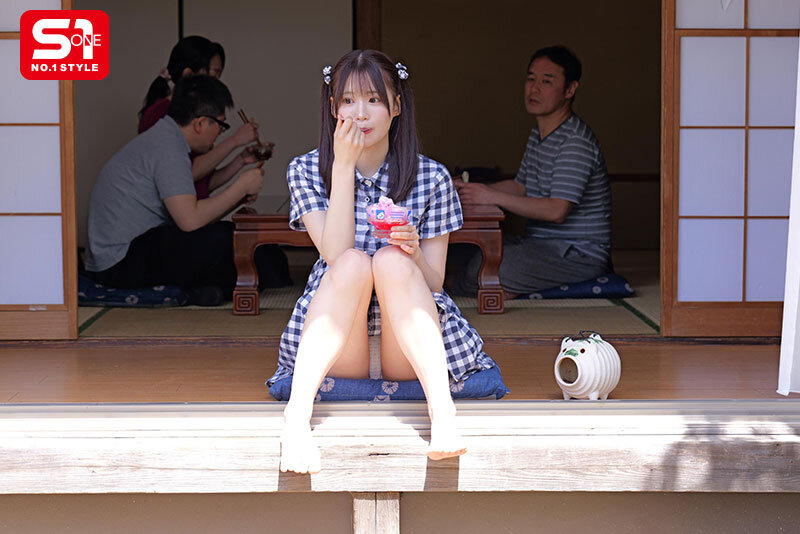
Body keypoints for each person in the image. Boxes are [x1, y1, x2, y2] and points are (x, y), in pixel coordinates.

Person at [273, 50, 498, 474]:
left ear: (396, 106)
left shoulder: (432, 177)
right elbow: (335, 255)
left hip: (407, 346)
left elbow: (434, 283)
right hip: (340, 342)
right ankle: (296, 421)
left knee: (393, 261)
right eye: (348, 100)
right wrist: (343, 167)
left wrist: (412, 250)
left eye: (374, 99)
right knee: (354, 263)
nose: (360, 113)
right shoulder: (305, 170)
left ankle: (443, 415)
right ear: (333, 108)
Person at [84, 75, 290, 306]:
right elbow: (190, 220)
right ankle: (207, 290)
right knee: (227, 240)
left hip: (124, 254)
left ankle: (205, 290)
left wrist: (239, 174)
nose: (220, 133)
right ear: (200, 123)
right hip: (118, 263)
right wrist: (240, 186)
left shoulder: (166, 138)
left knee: (240, 240)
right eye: (221, 125)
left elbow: (188, 201)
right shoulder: (168, 148)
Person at [452, 45, 612, 299]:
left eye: (546, 81)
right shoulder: (540, 133)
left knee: (479, 270)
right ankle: (505, 286)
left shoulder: (575, 141)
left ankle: (508, 289)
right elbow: (521, 186)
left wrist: (490, 196)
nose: (534, 89)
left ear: (570, 89)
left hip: (576, 253)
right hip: (539, 244)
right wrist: (471, 191)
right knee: (463, 253)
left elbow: (557, 210)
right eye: (530, 79)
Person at [138, 36, 263, 200]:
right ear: (188, 75)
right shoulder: (161, 115)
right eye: (214, 74)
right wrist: (235, 141)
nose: (217, 84)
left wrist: (240, 161)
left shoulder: (187, 114)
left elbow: (202, 186)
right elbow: (183, 174)